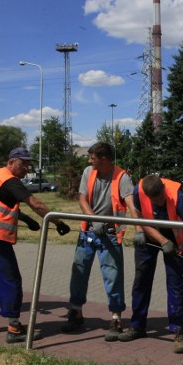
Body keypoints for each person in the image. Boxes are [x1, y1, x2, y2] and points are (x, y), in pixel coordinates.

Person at [0, 148, 70, 343]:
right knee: (10, 278)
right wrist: (58, 223)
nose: (27, 167)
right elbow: (35, 203)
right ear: (11, 163)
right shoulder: (10, 180)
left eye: (28, 164)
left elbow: (0, 200)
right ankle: (14, 327)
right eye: (23, 163)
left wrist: (25, 220)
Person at [118, 175, 183, 353]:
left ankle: (179, 332)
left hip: (173, 239)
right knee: (141, 280)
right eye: (155, 200)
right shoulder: (138, 191)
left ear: (164, 190)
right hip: (149, 235)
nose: (159, 201)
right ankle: (137, 326)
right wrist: (140, 230)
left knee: (175, 285)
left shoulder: (176, 197)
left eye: (161, 197)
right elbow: (138, 213)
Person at [62, 141, 137, 341]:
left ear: (103, 159)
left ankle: (116, 318)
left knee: (112, 276)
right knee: (79, 272)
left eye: (92, 157)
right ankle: (76, 312)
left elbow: (131, 204)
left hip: (110, 236)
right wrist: (94, 221)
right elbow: (82, 199)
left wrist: (140, 229)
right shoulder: (89, 172)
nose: (88, 160)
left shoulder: (122, 177)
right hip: (88, 233)